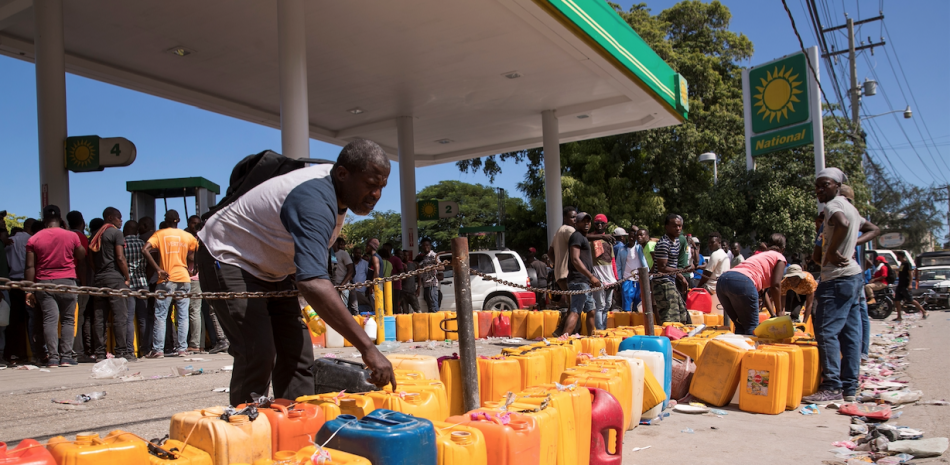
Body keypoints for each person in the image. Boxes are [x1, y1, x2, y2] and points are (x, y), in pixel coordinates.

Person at [197, 139, 396, 405]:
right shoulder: (314, 200)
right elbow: (313, 282)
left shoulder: (336, 190)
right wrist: (368, 349)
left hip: (274, 269)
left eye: (381, 187)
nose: (376, 195)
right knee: (258, 352)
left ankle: (296, 429)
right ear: (342, 174)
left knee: (297, 355)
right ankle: (246, 430)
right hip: (229, 256)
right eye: (370, 185)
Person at [804, 167, 880, 404]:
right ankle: (850, 386)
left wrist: (837, 249)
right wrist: (849, 245)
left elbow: (843, 223)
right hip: (854, 277)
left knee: (826, 332)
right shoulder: (853, 209)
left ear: (837, 186)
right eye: (817, 185)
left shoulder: (833, 206)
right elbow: (873, 229)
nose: (819, 189)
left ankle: (832, 385)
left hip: (837, 278)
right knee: (850, 334)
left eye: (824, 185)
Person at [24, 205, 85, 367]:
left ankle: (52, 358)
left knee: (49, 320)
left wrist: (29, 291)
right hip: (67, 281)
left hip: (44, 283)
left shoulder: (34, 239)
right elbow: (81, 255)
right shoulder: (71, 235)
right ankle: (66, 357)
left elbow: (30, 267)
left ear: (43, 220)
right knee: (68, 320)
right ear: (61, 219)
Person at [142, 210, 198, 358]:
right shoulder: (187, 236)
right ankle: (182, 349)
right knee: (183, 315)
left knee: (160, 315)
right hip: (184, 278)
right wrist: (195, 266)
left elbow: (145, 250)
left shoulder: (159, 234)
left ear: (166, 220)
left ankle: (158, 350)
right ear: (178, 220)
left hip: (166, 278)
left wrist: (158, 269)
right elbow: (197, 250)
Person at [716, 233, 788, 335]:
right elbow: (775, 285)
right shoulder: (780, 257)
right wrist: (780, 312)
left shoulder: (760, 256)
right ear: (783, 249)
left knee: (741, 327)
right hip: (743, 282)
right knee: (752, 329)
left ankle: (737, 350)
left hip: (723, 282)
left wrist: (773, 314)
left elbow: (763, 292)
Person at [90, 207, 135, 361]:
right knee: (120, 317)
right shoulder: (116, 233)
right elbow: (120, 257)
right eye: (118, 217)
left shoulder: (95, 236)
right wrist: (127, 277)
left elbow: (90, 259)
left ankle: (100, 353)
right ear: (110, 217)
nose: (120, 220)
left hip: (99, 279)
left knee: (99, 318)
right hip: (115, 279)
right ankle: (122, 351)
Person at [557, 212, 600, 336]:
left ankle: (591, 337)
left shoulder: (583, 237)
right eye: (583, 221)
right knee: (575, 311)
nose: (586, 223)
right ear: (576, 223)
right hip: (578, 280)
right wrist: (591, 276)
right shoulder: (576, 236)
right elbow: (575, 259)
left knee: (591, 310)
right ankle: (564, 340)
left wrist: (589, 278)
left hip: (584, 282)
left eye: (588, 221)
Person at [651, 214, 690, 324]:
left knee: (682, 315)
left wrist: (681, 277)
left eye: (680, 226)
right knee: (670, 318)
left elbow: (672, 265)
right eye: (674, 226)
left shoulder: (677, 241)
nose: (678, 228)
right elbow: (662, 268)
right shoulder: (664, 243)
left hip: (671, 281)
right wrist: (681, 272)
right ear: (666, 227)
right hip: (662, 283)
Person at [123, 220, 150, 356]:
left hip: (128, 284)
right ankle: (144, 348)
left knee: (128, 318)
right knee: (143, 318)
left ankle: (130, 349)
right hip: (142, 282)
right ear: (137, 231)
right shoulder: (143, 244)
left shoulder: (122, 245)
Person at [589, 214, 616, 330]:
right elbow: (583, 237)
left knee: (608, 305)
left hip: (610, 276)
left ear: (606, 225)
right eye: (597, 223)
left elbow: (612, 260)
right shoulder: (590, 238)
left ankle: (604, 328)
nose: (599, 225)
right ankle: (599, 330)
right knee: (600, 305)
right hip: (597, 274)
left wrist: (616, 277)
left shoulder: (609, 240)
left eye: (602, 223)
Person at [548, 206, 577, 291]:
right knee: (576, 302)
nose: (575, 219)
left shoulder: (558, 231)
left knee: (571, 302)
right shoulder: (570, 230)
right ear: (565, 219)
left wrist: (557, 265)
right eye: (572, 217)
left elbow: (549, 253)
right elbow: (580, 241)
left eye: (576, 217)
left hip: (559, 274)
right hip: (569, 274)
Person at [621, 227, 649, 312]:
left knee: (639, 304)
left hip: (639, 279)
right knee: (626, 304)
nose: (631, 238)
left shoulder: (640, 247)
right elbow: (618, 265)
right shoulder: (622, 249)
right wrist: (619, 279)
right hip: (627, 279)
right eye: (630, 236)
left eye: (634, 236)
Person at [894, 253, 928, 321]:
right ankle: (899, 317)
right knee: (897, 301)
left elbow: (911, 274)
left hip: (905, 285)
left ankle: (924, 311)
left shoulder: (907, 263)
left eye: (897, 256)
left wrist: (910, 284)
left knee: (911, 300)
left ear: (900, 256)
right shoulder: (902, 264)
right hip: (900, 285)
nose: (896, 257)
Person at [332, 237, 356, 314]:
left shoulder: (343, 254)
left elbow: (350, 269)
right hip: (333, 285)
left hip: (343, 286)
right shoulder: (328, 255)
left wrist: (342, 284)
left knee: (342, 309)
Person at [420, 238, 441, 313]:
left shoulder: (434, 255)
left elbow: (441, 267)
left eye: (427, 245)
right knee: (429, 306)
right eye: (423, 245)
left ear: (430, 246)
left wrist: (432, 267)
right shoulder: (424, 257)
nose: (425, 247)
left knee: (434, 305)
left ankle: (437, 322)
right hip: (426, 284)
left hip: (432, 284)